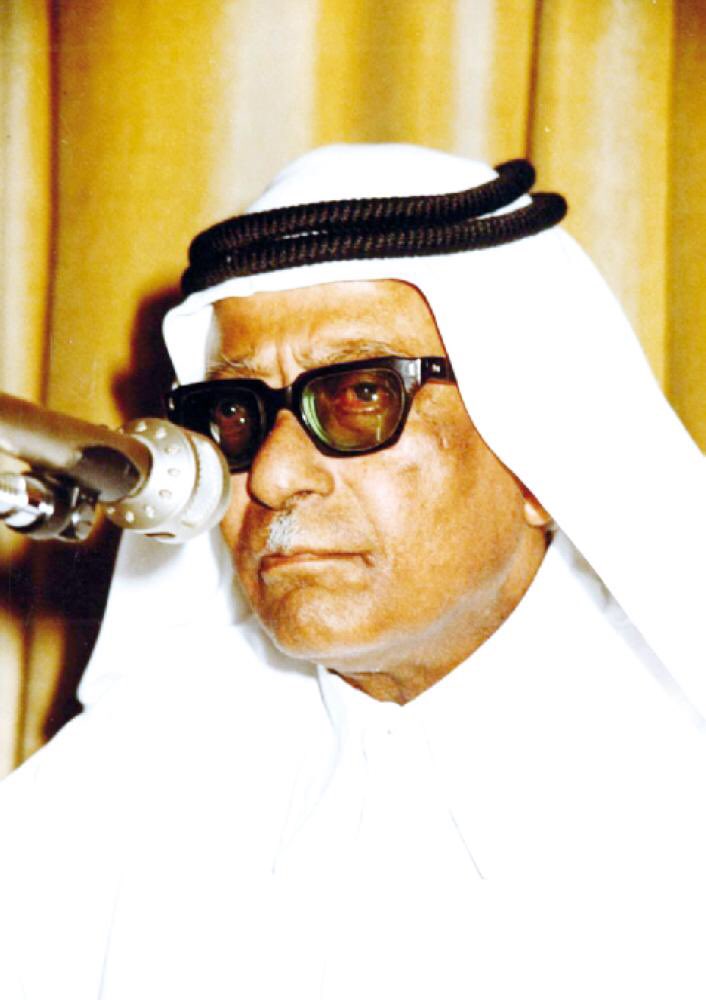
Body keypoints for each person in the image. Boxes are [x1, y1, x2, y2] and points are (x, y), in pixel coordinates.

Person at [1, 144, 706, 999]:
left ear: (537, 462)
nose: (271, 476)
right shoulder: (138, 768)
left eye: (362, 396)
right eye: (237, 413)